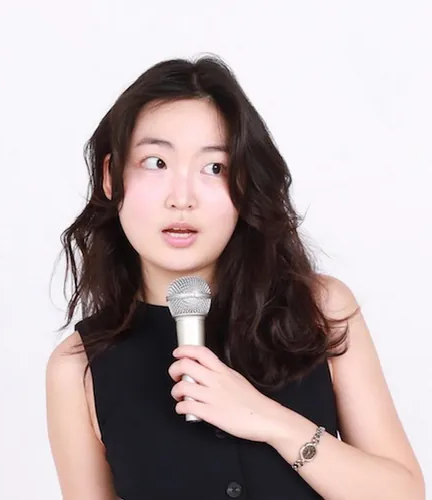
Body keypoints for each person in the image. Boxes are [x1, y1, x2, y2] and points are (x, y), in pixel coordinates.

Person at [45, 55, 425, 500]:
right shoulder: (78, 368)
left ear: (244, 185)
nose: (182, 198)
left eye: (214, 168)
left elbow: (404, 493)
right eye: (156, 162)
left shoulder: (320, 309)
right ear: (111, 177)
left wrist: (270, 420)